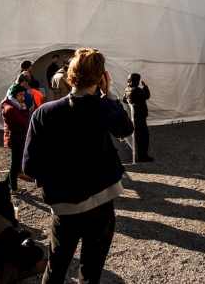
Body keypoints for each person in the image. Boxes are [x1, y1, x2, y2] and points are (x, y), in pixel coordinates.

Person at [22, 48, 134, 284]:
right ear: (101, 76)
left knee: (56, 266)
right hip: (101, 201)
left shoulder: (43, 114)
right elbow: (125, 128)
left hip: (63, 206)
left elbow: (30, 167)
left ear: (69, 74)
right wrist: (108, 94)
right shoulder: (103, 108)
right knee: (90, 269)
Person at [1, 83, 29, 195]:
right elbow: (23, 123)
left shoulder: (14, 105)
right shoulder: (11, 108)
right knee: (15, 164)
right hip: (15, 137)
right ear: (14, 95)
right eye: (20, 95)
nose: (22, 97)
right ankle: (13, 188)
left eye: (23, 95)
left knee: (15, 163)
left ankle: (5, 184)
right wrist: (24, 110)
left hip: (18, 136)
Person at [123, 73, 154, 162]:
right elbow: (147, 95)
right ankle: (143, 156)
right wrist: (145, 86)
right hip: (140, 116)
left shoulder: (127, 89)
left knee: (139, 136)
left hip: (134, 116)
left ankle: (141, 154)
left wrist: (132, 103)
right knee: (143, 137)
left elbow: (125, 100)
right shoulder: (137, 90)